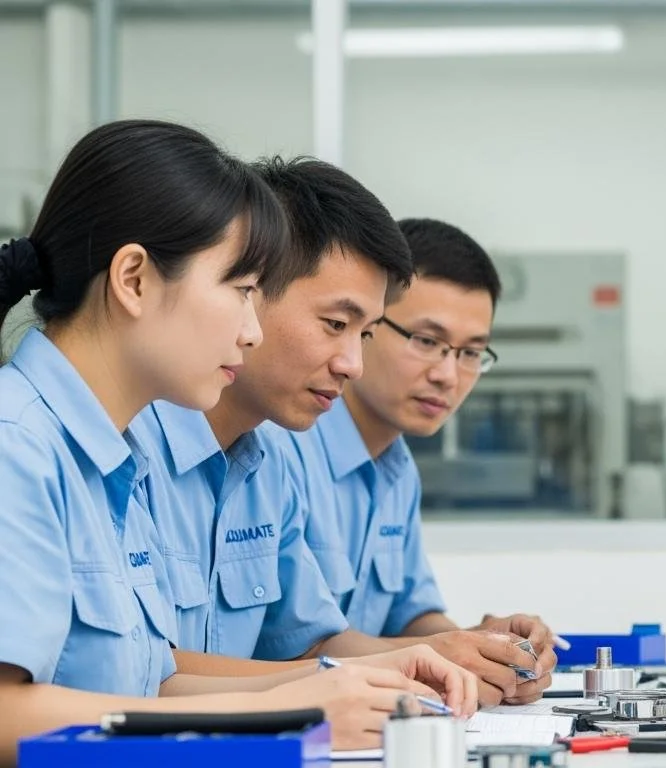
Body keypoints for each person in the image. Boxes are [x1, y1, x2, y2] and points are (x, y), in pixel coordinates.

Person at [0, 119, 474, 762]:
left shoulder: (112, 457)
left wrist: (339, 684)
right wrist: (287, 709)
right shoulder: (17, 444)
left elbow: (154, 678)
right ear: (134, 278)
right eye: (242, 291)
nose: (252, 332)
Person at [129, 156, 428, 669]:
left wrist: (446, 653)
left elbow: (307, 642)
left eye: (367, 334)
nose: (352, 365)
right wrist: (350, 681)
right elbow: (148, 671)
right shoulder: (127, 447)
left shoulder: (263, 466)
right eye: (335, 324)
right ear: (248, 290)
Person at [272, 217, 557, 706]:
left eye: (471, 353)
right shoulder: (283, 447)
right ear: (366, 324)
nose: (448, 374)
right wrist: (444, 651)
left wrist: (484, 647)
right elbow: (300, 647)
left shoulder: (397, 469)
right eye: (426, 341)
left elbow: (411, 614)